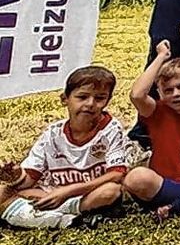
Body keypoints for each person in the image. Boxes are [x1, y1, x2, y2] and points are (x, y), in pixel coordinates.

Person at [0, 67, 125, 229]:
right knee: (2, 191)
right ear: (65, 98)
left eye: (100, 98)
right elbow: (30, 178)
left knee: (111, 191)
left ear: (108, 100)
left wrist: (66, 192)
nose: (90, 104)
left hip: (85, 194)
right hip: (49, 193)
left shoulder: (111, 129)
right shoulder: (53, 133)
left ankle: (39, 217)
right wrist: (15, 176)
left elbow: (117, 175)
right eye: (82, 97)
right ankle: (68, 220)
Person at [123, 19, 180, 220]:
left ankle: (177, 207)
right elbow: (137, 95)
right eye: (168, 90)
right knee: (136, 178)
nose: (176, 94)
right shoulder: (158, 112)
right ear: (160, 93)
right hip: (163, 184)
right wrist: (161, 57)